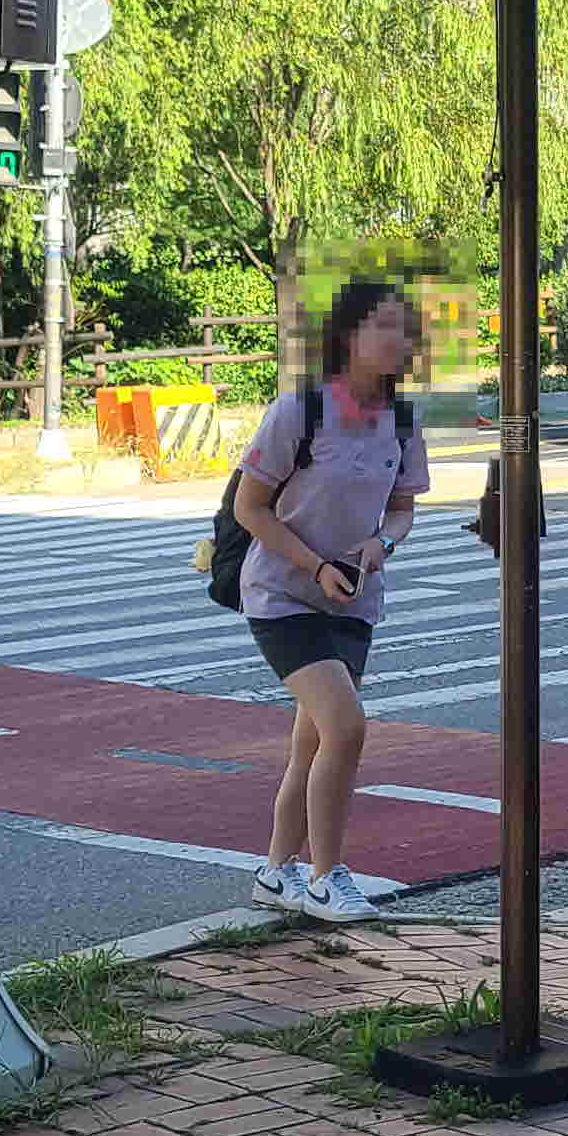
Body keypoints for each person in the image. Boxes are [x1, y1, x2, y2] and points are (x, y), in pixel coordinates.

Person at [235, 280, 430, 925]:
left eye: (407, 330)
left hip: (354, 599)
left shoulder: (402, 418)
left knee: (313, 744)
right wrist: (314, 565)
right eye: (385, 326)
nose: (399, 341)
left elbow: (402, 508)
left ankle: (274, 872)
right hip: (284, 595)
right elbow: (249, 507)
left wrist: (381, 544)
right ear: (348, 335)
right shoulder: (301, 411)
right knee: (347, 727)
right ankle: (326, 877)